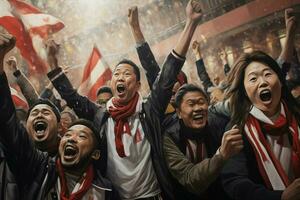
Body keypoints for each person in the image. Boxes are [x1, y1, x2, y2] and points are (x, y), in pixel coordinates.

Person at [46, 1, 203, 199]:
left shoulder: (149, 111)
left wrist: (190, 24)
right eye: (117, 73)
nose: (120, 77)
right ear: (112, 84)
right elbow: (71, 96)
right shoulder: (100, 115)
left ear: (137, 85)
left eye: (127, 74)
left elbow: (167, 74)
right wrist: (52, 63)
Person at [221, 50, 300, 200]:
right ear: (244, 91)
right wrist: (280, 197)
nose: (262, 82)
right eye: (253, 79)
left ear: (281, 82)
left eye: (268, 74)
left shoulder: (297, 113)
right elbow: (234, 182)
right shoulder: (237, 129)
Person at [163, 84, 243, 200]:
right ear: (179, 112)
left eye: (201, 102)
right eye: (191, 104)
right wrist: (221, 156)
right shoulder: (170, 137)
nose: (198, 108)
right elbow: (189, 178)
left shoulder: (219, 125)